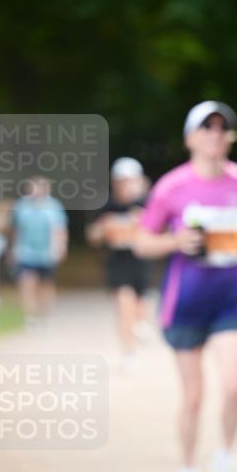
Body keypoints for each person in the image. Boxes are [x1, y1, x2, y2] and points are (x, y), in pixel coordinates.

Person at [136, 101, 237, 472]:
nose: (215, 133)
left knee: (234, 385)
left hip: (230, 299)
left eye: (222, 127)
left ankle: (227, 458)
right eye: (206, 127)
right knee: (194, 396)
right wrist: (175, 242)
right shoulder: (171, 187)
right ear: (190, 138)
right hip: (185, 303)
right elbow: (143, 242)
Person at [86, 157, 152, 371]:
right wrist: (103, 228)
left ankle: (141, 326)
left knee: (142, 306)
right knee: (124, 306)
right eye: (122, 181)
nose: (126, 185)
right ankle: (129, 352)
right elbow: (93, 236)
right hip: (118, 261)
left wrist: (143, 222)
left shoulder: (147, 204)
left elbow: (162, 231)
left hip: (142, 260)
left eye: (130, 180)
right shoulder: (107, 205)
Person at [10, 176, 68, 325]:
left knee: (46, 284)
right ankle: (30, 316)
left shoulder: (54, 206)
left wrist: (61, 247)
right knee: (26, 282)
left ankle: (46, 315)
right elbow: (16, 229)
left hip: (47, 253)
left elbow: (60, 229)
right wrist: (13, 249)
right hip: (26, 252)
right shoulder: (21, 206)